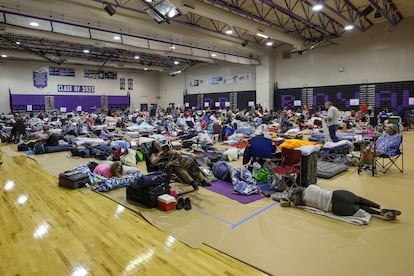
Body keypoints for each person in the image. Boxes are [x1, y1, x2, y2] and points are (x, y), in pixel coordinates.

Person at [279, 185, 401, 220]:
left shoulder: (303, 203)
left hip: (335, 207)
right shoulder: (311, 187)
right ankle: (380, 206)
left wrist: (289, 202)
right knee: (358, 199)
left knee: (359, 207)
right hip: (338, 194)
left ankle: (380, 215)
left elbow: (287, 202)